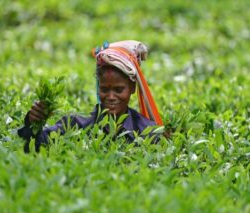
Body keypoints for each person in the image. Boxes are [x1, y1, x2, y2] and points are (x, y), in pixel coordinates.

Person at [18, 40, 163, 152]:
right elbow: (32, 147)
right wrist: (33, 123)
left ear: (132, 88)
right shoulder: (74, 125)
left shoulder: (147, 130)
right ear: (98, 88)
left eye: (119, 90)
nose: (111, 97)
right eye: (105, 89)